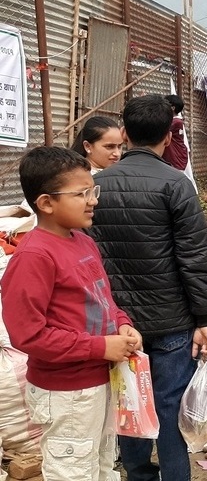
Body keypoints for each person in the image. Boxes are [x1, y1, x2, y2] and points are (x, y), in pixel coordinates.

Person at [89, 94, 207, 481]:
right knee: (170, 404)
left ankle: (139, 474)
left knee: (129, 400)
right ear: (167, 136)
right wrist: (204, 319)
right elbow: (195, 258)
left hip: (117, 323)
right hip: (171, 320)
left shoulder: (93, 187)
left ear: (124, 134)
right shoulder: (176, 184)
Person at [2, 146, 141, 481]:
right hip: (66, 393)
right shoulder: (34, 257)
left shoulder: (83, 241)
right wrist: (100, 347)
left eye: (92, 190)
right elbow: (28, 335)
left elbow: (102, 300)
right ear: (46, 203)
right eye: (81, 194)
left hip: (101, 379)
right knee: (73, 472)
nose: (92, 201)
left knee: (103, 463)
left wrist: (122, 324)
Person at [163, 95, 189, 171]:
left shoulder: (175, 122)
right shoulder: (176, 121)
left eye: (165, 105)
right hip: (176, 159)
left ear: (172, 108)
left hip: (175, 160)